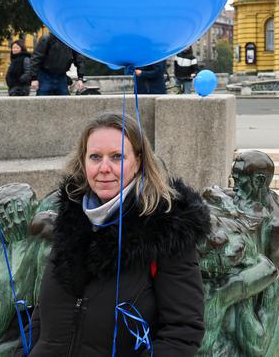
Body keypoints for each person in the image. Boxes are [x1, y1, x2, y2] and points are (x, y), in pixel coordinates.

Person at [26, 113, 210, 355]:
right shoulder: (71, 217)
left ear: (138, 162)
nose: (104, 168)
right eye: (95, 157)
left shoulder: (166, 228)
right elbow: (43, 310)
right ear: (83, 161)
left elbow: (182, 332)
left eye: (117, 157)